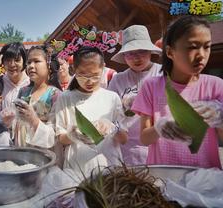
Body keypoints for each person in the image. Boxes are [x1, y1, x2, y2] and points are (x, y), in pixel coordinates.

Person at [131, 16, 223, 169]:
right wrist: (160, 127)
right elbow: (144, 139)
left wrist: (220, 119)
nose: (201, 54)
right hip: (164, 175)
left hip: (205, 177)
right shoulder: (151, 86)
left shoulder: (216, 85)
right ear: (169, 52)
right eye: (192, 47)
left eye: (206, 47)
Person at [55, 46, 128, 176]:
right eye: (82, 75)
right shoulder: (65, 98)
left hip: (110, 168)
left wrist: (113, 127)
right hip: (77, 168)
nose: (89, 81)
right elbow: (61, 138)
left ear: (103, 68)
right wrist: (74, 134)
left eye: (95, 75)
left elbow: (123, 139)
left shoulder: (112, 98)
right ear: (74, 70)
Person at [108, 25, 162, 165]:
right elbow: (112, 114)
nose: (136, 58)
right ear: (124, 56)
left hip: (160, 145)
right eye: (130, 53)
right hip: (127, 148)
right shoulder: (118, 79)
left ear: (150, 51)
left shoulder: (164, 74)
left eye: (142, 51)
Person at [11, 45, 61, 148]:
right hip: (21, 150)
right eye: (29, 62)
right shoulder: (23, 91)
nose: (31, 66)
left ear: (49, 66)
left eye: (36, 61)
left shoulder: (55, 95)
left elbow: (55, 135)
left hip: (44, 154)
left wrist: (33, 119)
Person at [0, 42, 30, 111]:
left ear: (24, 61)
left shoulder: (32, 84)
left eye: (17, 60)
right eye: (8, 60)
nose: (12, 64)